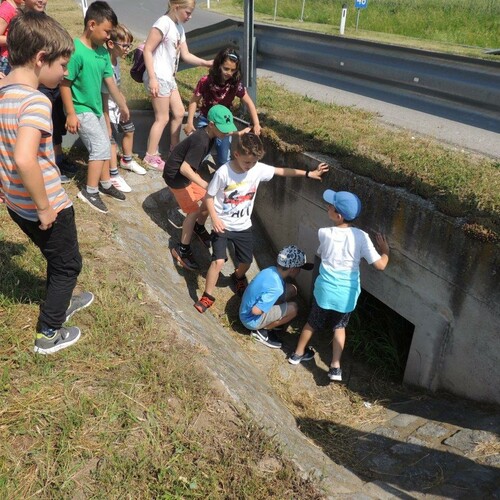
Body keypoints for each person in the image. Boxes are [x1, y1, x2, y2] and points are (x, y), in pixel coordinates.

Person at [0, 11, 94, 354]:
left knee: (55, 258)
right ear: (42, 59)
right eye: (63, 65)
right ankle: (49, 332)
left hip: (15, 204)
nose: (66, 72)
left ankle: (59, 299)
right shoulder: (36, 101)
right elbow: (25, 158)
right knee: (68, 264)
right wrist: (45, 207)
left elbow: (5, 147)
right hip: (45, 206)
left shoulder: (3, 91)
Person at [194, 133, 328, 313]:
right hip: (223, 225)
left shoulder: (257, 168)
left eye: (254, 162)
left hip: (243, 227)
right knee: (218, 262)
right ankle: (207, 296)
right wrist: (215, 219)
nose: (250, 166)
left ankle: (238, 277)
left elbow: (281, 171)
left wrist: (308, 174)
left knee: (246, 262)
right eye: (247, 162)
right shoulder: (224, 173)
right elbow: (209, 197)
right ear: (236, 155)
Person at [288, 190, 390, 382]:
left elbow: (322, 253)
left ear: (338, 215)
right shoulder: (362, 236)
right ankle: (335, 366)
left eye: (331, 206)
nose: (327, 206)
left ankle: (297, 354)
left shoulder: (324, 233)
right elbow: (380, 265)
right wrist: (385, 250)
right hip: (346, 294)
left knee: (312, 323)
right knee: (339, 327)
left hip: (324, 291)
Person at [60, 0, 130, 214]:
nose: (109, 36)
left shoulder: (101, 52)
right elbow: (65, 83)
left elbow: (109, 82)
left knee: (106, 143)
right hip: (80, 108)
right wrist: (70, 113)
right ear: (92, 25)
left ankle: (106, 183)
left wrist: (122, 104)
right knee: (99, 147)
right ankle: (89, 192)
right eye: (107, 31)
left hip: (96, 109)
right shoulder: (77, 51)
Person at [142, 0, 212, 171]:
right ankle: (150, 156)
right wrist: (152, 78)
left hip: (169, 78)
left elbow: (185, 55)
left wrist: (205, 63)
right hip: (158, 76)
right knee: (163, 117)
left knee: (180, 112)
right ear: (176, 7)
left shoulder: (179, 27)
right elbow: (147, 49)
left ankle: (174, 149)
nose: (190, 16)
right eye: (188, 12)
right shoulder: (163, 23)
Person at [165, 104, 237, 270]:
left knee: (207, 198)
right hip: (176, 177)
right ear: (211, 125)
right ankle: (181, 249)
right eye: (224, 130)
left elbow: (230, 132)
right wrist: (206, 184)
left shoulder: (211, 134)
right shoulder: (201, 140)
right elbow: (184, 168)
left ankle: (198, 227)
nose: (227, 133)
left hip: (185, 175)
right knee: (193, 211)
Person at [24, 0, 78, 182]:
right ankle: (50, 165)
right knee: (44, 125)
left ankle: (57, 159)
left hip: (51, 82)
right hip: (38, 83)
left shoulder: (46, 20)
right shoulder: (20, 22)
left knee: (55, 121)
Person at [184, 47, 261, 168]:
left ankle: (222, 176)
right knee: (200, 151)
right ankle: (194, 172)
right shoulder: (206, 81)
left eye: (233, 70)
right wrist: (189, 122)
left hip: (224, 123)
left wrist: (256, 123)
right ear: (218, 65)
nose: (229, 73)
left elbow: (249, 103)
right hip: (206, 121)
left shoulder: (235, 84)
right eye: (226, 68)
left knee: (223, 157)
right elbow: (194, 101)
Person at [239, 245, 314, 349]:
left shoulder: (271, 270)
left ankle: (273, 321)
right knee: (293, 309)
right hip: (250, 320)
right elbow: (256, 311)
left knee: (292, 289)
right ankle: (263, 331)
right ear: (292, 269)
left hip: (245, 308)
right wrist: (267, 308)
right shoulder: (276, 288)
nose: (300, 271)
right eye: (299, 268)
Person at [102, 22, 146, 194]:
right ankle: (113, 174)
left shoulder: (116, 60)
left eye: (130, 45)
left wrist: (122, 99)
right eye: (125, 45)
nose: (127, 49)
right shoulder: (105, 62)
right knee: (111, 141)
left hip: (118, 105)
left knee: (129, 129)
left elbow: (116, 86)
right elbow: (104, 91)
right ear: (111, 44)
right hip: (107, 108)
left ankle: (126, 160)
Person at [0, 0, 23, 75]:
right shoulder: (6, 9)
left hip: (16, 56)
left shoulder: (17, 7)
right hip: (6, 60)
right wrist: (17, 39)